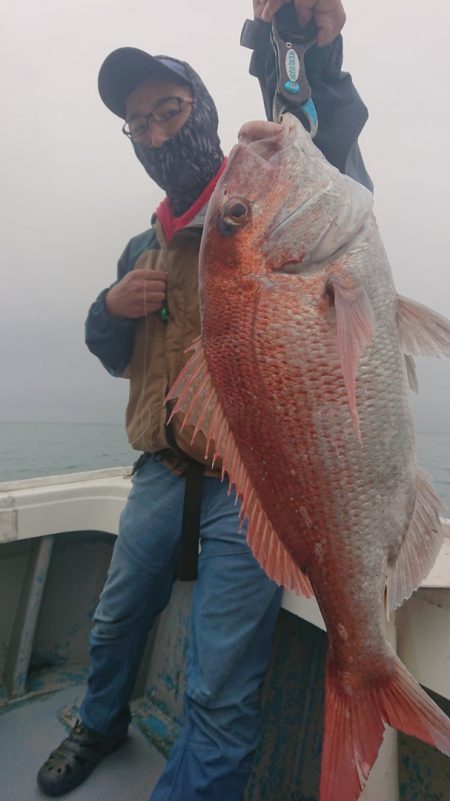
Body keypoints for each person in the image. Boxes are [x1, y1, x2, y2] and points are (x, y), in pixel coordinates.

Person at [36, 1, 372, 799]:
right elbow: (116, 355)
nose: (155, 134)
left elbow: (330, 145)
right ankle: (99, 718)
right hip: (158, 474)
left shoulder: (263, 200)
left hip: (249, 484)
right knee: (114, 620)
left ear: (205, 111)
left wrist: (309, 52)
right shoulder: (139, 245)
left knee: (219, 678)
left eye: (169, 112)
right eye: (138, 124)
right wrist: (106, 309)